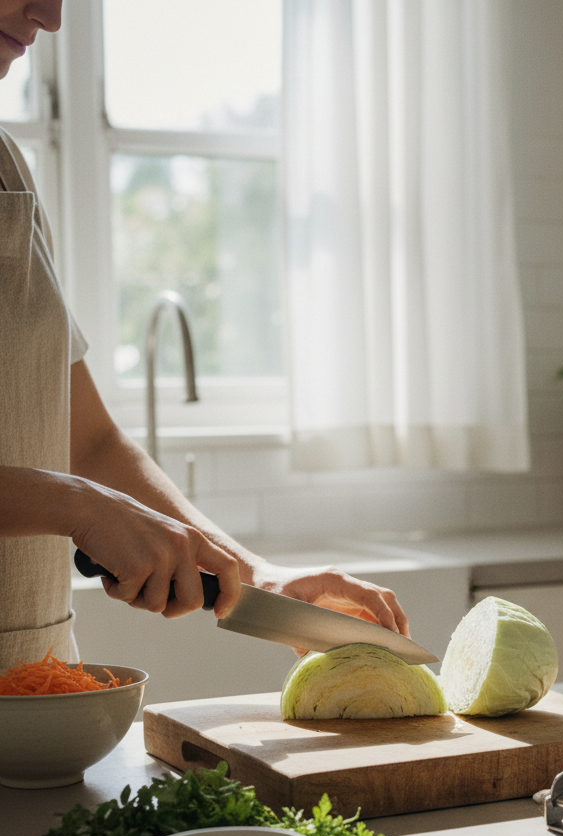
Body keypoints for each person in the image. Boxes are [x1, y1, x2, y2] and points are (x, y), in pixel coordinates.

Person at [0, 0, 409, 670]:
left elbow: (88, 441)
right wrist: (75, 504)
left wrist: (252, 576)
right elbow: (79, 482)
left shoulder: (7, 169)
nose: (50, 16)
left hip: (33, 684)